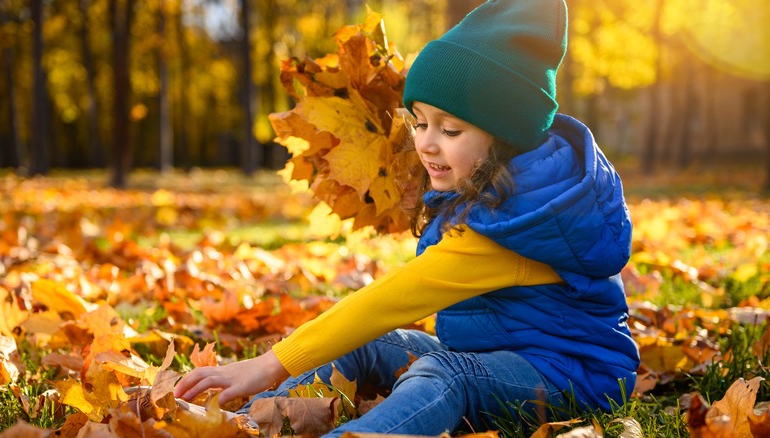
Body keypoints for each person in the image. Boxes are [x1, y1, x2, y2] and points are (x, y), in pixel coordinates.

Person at [173, 0, 640, 435]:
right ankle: (251, 419)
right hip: (500, 353)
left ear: (505, 136)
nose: (426, 144)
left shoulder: (518, 221)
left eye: (450, 129)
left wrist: (271, 361)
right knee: (363, 343)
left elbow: (394, 296)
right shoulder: (501, 180)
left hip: (573, 378)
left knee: (443, 373)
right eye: (419, 121)